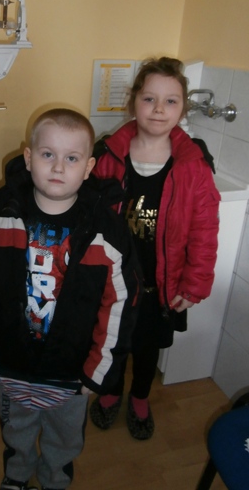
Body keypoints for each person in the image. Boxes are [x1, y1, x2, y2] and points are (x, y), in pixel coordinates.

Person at [0, 108, 141, 490]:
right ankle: (17, 474)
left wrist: (98, 370)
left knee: (65, 438)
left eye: (71, 158)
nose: (58, 167)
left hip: (71, 372)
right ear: (28, 158)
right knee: (16, 430)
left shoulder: (105, 232)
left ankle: (55, 477)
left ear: (88, 168)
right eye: (47, 154)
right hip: (11, 364)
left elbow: (120, 306)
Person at [89, 56, 220, 441]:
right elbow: (87, 217)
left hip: (160, 283)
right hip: (114, 281)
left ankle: (140, 396)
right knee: (111, 341)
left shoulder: (193, 164)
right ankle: (111, 391)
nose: (159, 109)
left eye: (170, 101)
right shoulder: (108, 155)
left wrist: (194, 285)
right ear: (134, 101)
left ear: (183, 108)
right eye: (149, 99)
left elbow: (205, 230)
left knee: (147, 347)